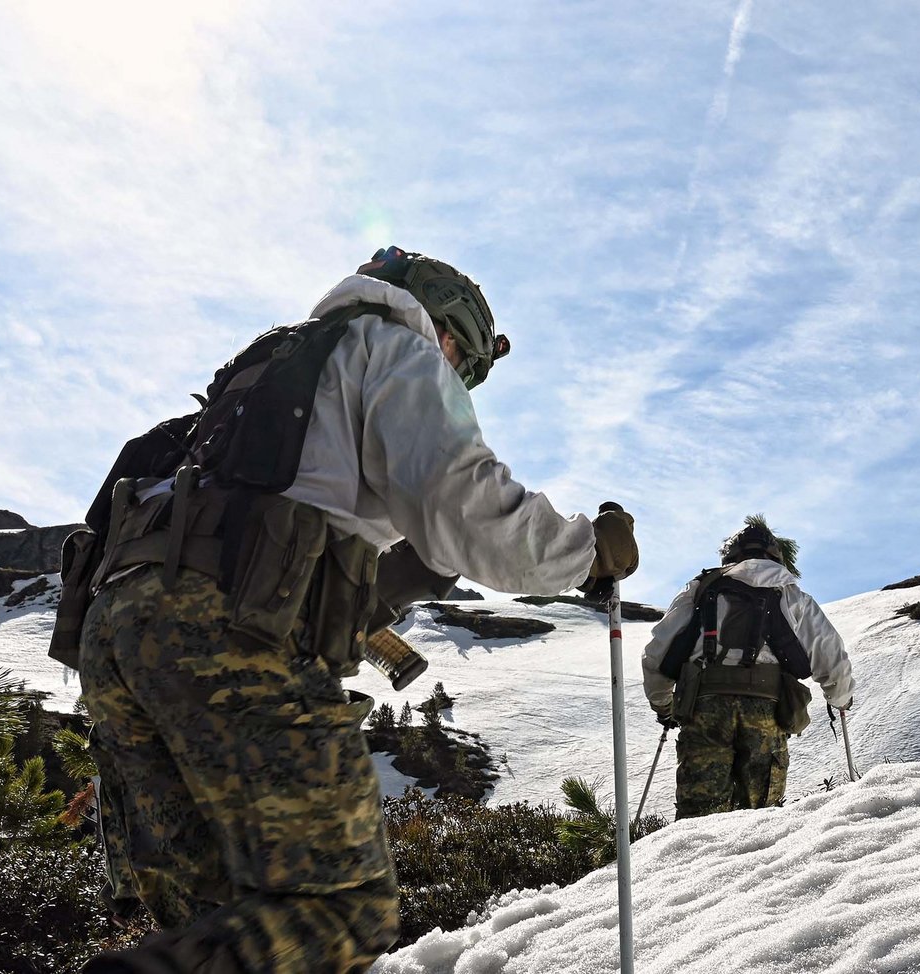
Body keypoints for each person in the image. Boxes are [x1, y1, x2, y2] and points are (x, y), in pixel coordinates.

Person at [69, 248, 638, 974]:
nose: (457, 384)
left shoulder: (261, 377)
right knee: (339, 906)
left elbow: (262, 521)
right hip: (225, 635)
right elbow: (469, 509)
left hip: (116, 641)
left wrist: (380, 584)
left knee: (227, 918)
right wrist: (591, 551)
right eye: (462, 370)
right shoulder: (392, 345)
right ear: (449, 334)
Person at [641, 516, 852, 819]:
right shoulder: (793, 596)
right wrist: (840, 698)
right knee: (760, 820)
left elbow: (657, 654)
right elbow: (831, 655)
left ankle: (697, 863)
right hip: (766, 711)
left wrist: (663, 705)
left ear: (729, 556)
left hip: (705, 708)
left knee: (699, 820)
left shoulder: (701, 589)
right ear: (776, 557)